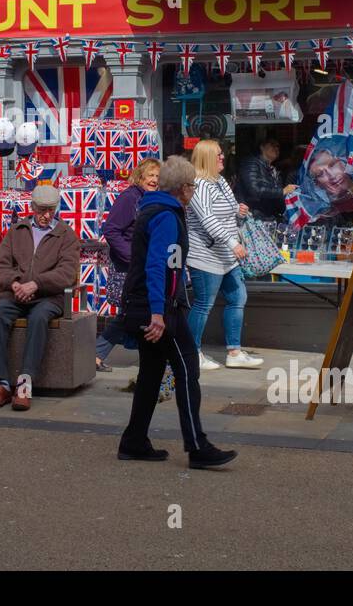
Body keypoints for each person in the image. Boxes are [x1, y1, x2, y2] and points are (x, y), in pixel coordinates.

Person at [116, 155, 237, 469]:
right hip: (161, 309)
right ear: (183, 189)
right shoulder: (168, 216)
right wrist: (159, 313)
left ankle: (134, 441)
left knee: (152, 374)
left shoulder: (151, 209)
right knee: (186, 371)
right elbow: (160, 265)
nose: (194, 192)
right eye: (193, 187)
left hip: (145, 304)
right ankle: (197, 446)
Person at [0, 184, 80, 412]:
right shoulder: (17, 231)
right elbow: (0, 268)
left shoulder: (66, 235)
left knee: (38, 319)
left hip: (48, 297)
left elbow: (67, 273)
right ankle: (2, 384)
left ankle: (25, 384)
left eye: (51, 210)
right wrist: (16, 283)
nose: (46, 215)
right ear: (32, 207)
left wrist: (36, 284)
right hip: (16, 294)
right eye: (41, 209)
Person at [186, 140, 264, 370]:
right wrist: (232, 242)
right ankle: (193, 352)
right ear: (207, 158)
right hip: (206, 256)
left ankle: (234, 352)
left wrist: (239, 212)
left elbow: (229, 214)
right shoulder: (198, 185)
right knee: (203, 304)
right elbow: (207, 219)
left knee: (238, 298)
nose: (223, 157)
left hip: (227, 257)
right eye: (218, 155)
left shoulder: (220, 181)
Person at [96, 158, 160, 370]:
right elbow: (111, 229)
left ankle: (97, 354)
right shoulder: (130, 197)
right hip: (129, 268)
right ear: (140, 176)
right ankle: (96, 353)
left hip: (143, 266)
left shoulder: (151, 199)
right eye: (150, 175)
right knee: (130, 314)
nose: (154, 180)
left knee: (134, 314)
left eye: (158, 177)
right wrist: (132, 257)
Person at [236, 138, 285, 218]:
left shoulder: (273, 169)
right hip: (253, 215)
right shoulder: (251, 163)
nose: (276, 148)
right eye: (272, 145)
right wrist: (282, 191)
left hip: (269, 216)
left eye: (278, 146)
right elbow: (254, 190)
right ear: (262, 147)